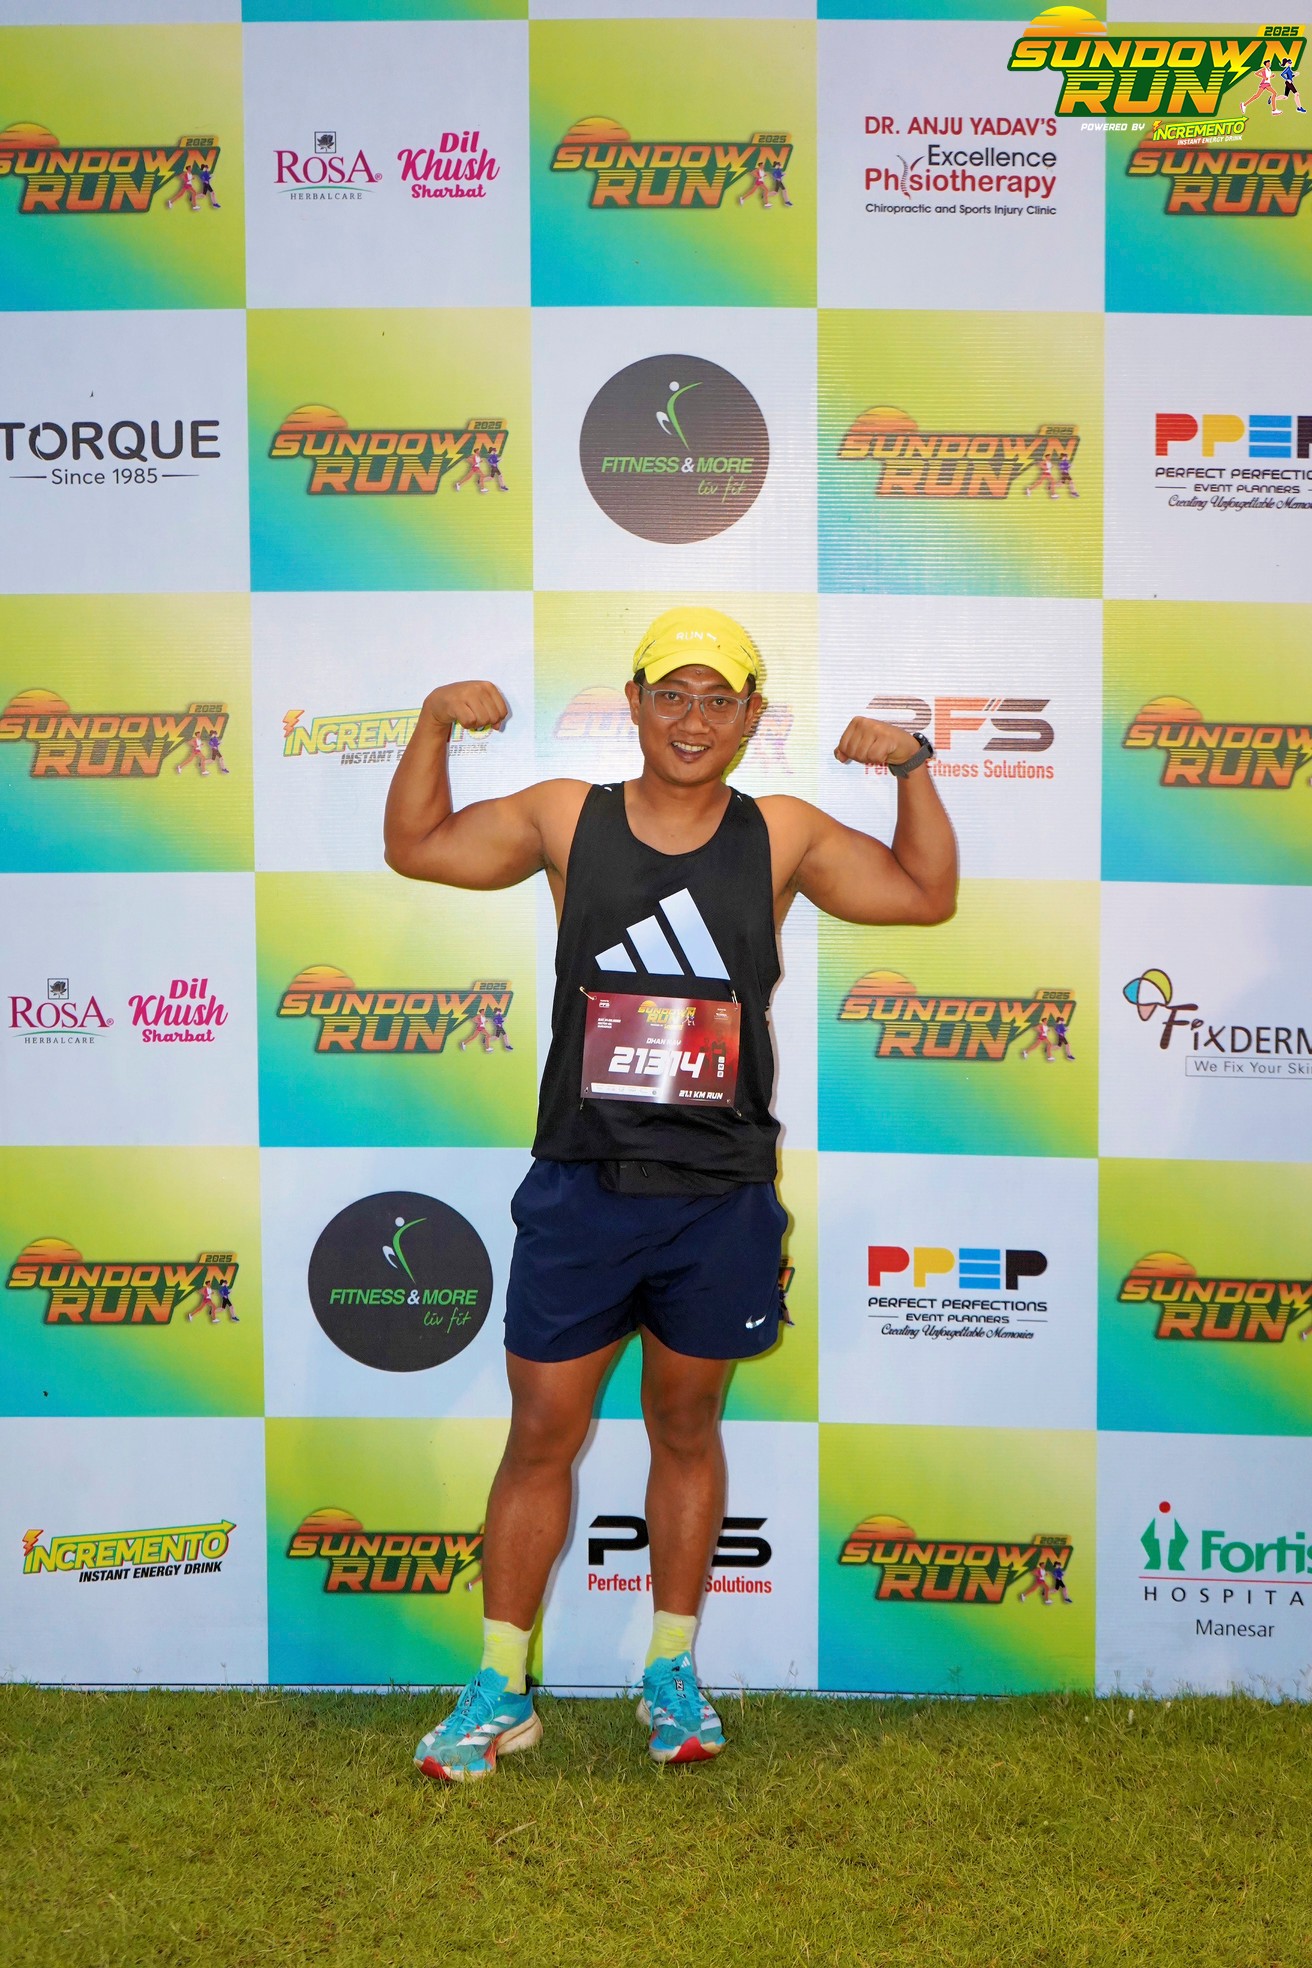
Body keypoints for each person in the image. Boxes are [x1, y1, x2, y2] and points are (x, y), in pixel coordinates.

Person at [384, 605, 957, 1782]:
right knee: (540, 1434)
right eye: (673, 694)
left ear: (750, 717)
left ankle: (670, 1672)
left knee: (686, 1428)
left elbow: (922, 895)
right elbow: (418, 848)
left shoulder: (780, 832)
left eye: (718, 699)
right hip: (583, 1188)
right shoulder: (565, 815)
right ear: (636, 701)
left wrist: (913, 767)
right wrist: (432, 722)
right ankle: (500, 1685)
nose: (694, 719)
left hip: (717, 1196)